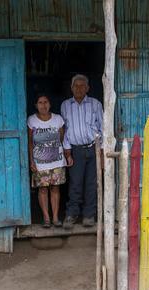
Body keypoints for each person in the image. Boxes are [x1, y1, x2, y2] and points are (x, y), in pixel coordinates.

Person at [61, 74, 103, 229]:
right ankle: (71, 214)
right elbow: (65, 130)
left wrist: (102, 151)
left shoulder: (95, 104)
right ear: (71, 88)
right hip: (76, 150)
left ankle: (89, 215)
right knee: (75, 183)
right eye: (76, 86)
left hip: (93, 148)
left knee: (92, 184)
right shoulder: (65, 105)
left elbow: (103, 127)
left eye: (82, 86)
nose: (79, 88)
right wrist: (67, 152)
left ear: (87, 88)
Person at [28, 94, 66, 228]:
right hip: (40, 162)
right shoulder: (32, 120)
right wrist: (31, 161)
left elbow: (62, 138)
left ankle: (55, 218)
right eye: (40, 102)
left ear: (50, 104)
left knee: (55, 188)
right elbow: (30, 143)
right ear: (36, 105)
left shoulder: (58, 119)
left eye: (46, 102)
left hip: (57, 161)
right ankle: (46, 218)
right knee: (43, 189)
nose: (43, 105)